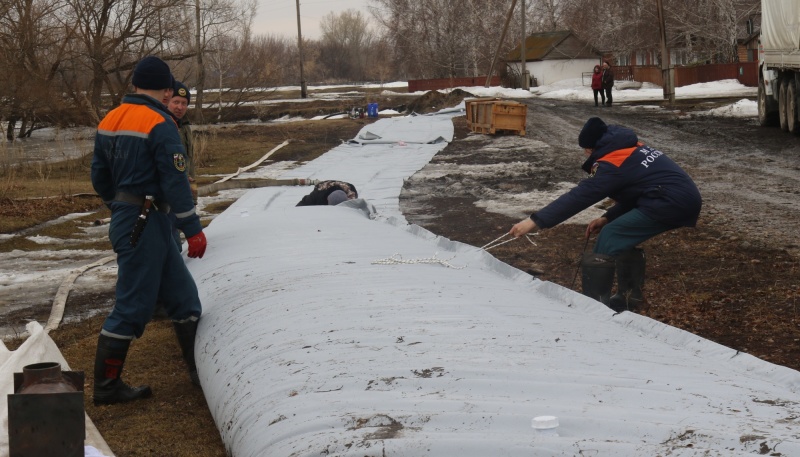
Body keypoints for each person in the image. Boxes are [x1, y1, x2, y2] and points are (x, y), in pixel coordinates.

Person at [90, 55, 208, 405]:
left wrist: (121, 204)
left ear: (135, 85)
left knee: (184, 298)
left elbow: (99, 177)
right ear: (167, 89)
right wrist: (192, 227)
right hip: (148, 221)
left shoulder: (109, 119)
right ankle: (107, 387)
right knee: (132, 307)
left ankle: (198, 372)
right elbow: (175, 180)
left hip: (134, 218)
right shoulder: (160, 122)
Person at [508, 117, 701, 312]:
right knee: (616, 233)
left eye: (586, 149)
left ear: (593, 147)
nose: (585, 153)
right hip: (670, 198)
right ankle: (629, 298)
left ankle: (593, 306)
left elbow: (580, 196)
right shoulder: (629, 148)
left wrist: (535, 221)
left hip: (670, 203)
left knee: (611, 236)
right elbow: (638, 190)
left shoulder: (613, 162)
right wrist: (608, 217)